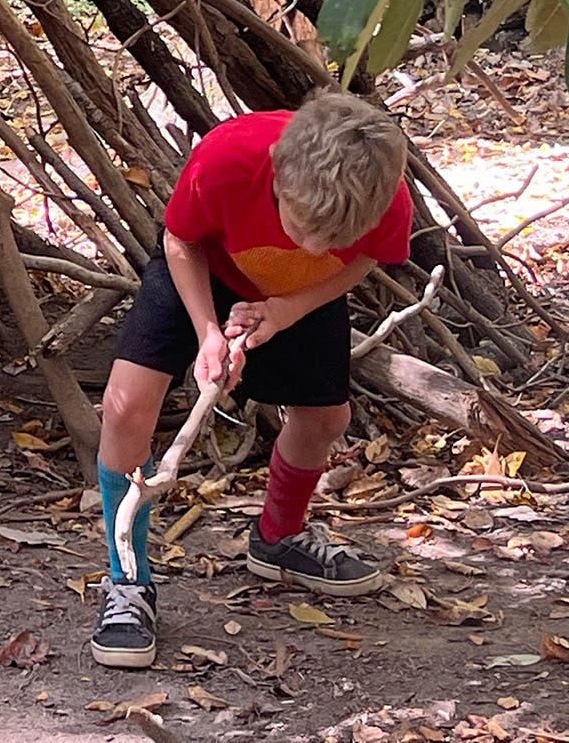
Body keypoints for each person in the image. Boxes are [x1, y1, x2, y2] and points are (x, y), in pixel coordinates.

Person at [89, 92, 411, 669]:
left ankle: (278, 539)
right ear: (280, 180)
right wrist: (208, 333)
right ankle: (128, 580)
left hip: (304, 291)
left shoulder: (382, 195)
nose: (314, 244)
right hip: (202, 268)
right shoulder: (229, 158)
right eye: (304, 224)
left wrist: (288, 309)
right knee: (125, 406)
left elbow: (366, 259)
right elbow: (179, 240)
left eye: (331, 235)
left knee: (326, 420)